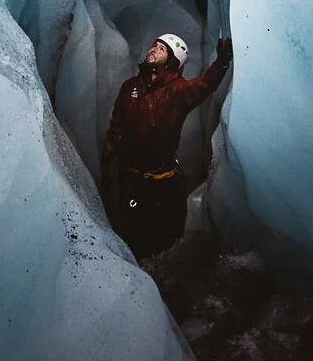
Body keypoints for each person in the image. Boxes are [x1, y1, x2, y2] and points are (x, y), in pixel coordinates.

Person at [100, 33, 233, 260]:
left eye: (161, 48)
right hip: (132, 181)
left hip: (165, 182)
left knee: (168, 239)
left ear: (173, 62)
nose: (153, 49)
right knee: (136, 235)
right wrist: (106, 158)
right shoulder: (130, 87)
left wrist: (221, 63)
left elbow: (202, 86)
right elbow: (117, 125)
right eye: (154, 45)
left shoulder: (176, 91)